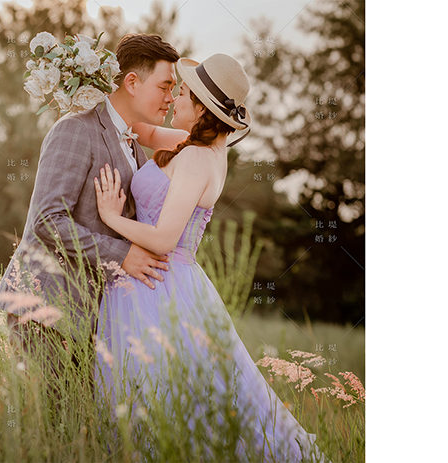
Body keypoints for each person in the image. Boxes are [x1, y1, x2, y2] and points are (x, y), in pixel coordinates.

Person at [93, 53, 331, 462]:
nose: (174, 100)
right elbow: (142, 129)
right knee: (169, 389)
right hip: (166, 281)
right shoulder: (199, 148)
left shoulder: (196, 159)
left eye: (182, 93)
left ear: (202, 108)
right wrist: (90, 92)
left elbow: (165, 238)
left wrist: (111, 217)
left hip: (160, 282)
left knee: (158, 389)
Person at [0, 34, 179, 405]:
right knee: (52, 430)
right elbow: (48, 219)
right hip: (45, 308)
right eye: (165, 86)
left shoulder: (133, 146)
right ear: (131, 82)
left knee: (80, 432)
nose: (171, 98)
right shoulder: (75, 129)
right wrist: (121, 254)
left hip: (91, 316)